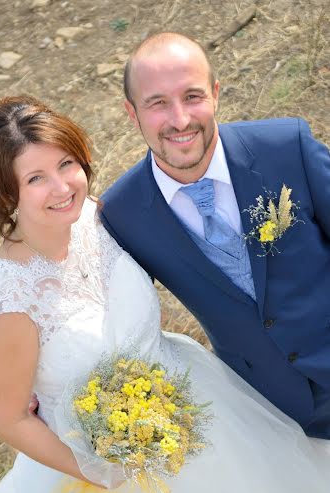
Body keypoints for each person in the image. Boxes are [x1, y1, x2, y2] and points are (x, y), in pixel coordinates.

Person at [0, 95, 330, 493]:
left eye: (67, 164)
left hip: (200, 406)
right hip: (111, 462)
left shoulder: (100, 218)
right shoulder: (8, 299)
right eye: (35, 178)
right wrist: (100, 471)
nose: (63, 187)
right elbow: (9, 418)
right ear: (6, 194)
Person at [101, 32, 330, 441]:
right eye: (157, 103)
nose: (180, 119)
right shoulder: (123, 213)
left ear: (216, 94)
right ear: (131, 113)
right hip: (267, 412)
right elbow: (121, 315)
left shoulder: (287, 146)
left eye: (192, 96)